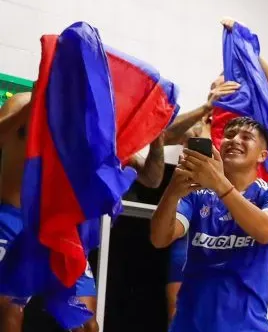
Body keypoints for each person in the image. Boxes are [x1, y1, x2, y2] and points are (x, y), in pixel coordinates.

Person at [0, 91, 170, 332]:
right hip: (15, 218)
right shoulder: (24, 101)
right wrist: (29, 111)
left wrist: (157, 139)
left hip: (64, 228)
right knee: (9, 311)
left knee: (87, 324)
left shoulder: (94, 126)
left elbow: (152, 179)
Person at [150, 116, 268, 332]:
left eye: (246, 137)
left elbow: (264, 231)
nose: (235, 140)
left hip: (248, 326)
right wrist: (174, 188)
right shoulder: (197, 195)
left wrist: (220, 184)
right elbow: (159, 238)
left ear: (262, 155)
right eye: (229, 135)